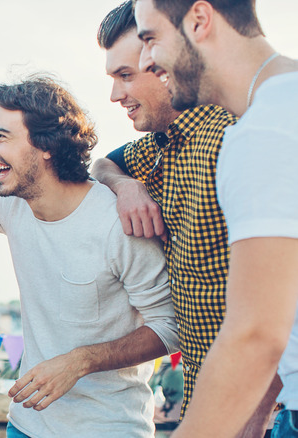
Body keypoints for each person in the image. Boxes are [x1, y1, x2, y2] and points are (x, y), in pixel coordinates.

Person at [0, 75, 179, 437]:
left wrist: (81, 361)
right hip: (24, 424)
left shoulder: (117, 225)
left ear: (46, 145)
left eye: (0, 136)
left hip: (108, 429)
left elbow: (171, 326)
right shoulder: (13, 202)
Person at [91, 3, 281, 435]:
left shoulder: (236, 131)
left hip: (261, 411)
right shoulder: (157, 147)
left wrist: (248, 424)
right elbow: (102, 163)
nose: (115, 95)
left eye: (126, 75)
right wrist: (125, 186)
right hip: (208, 399)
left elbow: (275, 311)